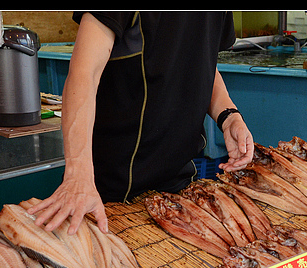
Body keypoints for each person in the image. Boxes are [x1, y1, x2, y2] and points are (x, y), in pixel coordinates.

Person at [28, 11, 254, 234]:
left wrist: (229, 116)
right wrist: (78, 175)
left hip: (178, 186)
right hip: (106, 192)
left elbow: (203, 61)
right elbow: (84, 73)